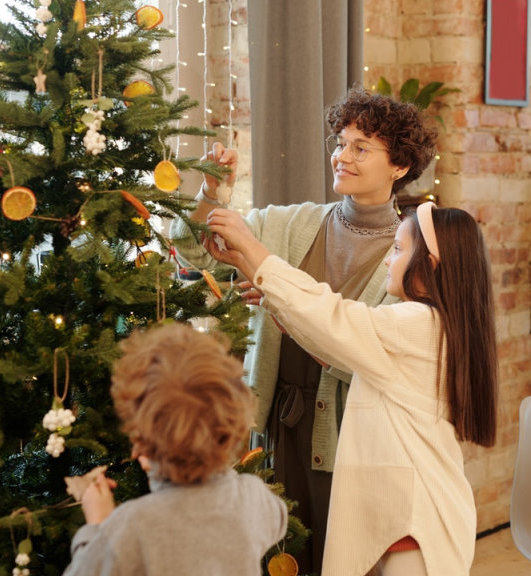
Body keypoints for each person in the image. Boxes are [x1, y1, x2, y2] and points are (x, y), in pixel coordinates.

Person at [168, 86, 437, 573]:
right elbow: (189, 256)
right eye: (340, 142)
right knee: (277, 556)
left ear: (399, 166)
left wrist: (287, 313)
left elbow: (386, 362)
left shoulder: (409, 255)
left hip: (355, 435)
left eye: (361, 147)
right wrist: (213, 193)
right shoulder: (290, 226)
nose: (343, 156)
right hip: (278, 424)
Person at [202, 201, 497, 576]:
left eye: (398, 249)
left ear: (430, 264)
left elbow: (333, 318)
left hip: (413, 523)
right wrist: (250, 269)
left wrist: (252, 249)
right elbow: (335, 346)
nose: (389, 260)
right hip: (406, 517)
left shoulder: (416, 323)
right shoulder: (431, 324)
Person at [63, 323, 287, 576]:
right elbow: (277, 519)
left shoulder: (130, 526)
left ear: (141, 447)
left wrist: (96, 525)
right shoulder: (251, 498)